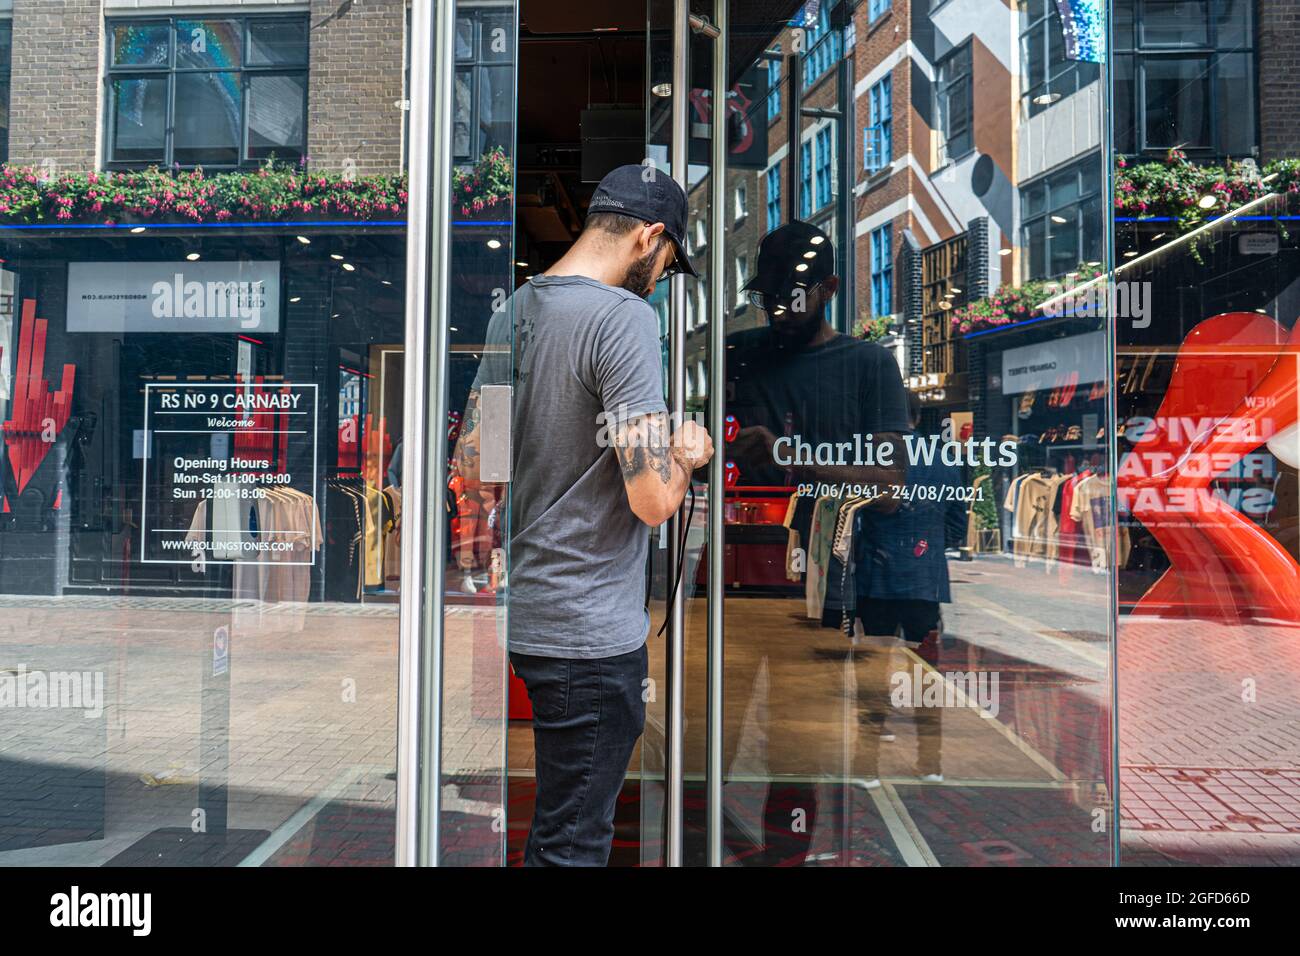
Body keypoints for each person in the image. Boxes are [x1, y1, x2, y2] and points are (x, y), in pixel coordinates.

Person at [457, 164, 714, 866]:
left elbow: (480, 466)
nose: (661, 276)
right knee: (574, 844)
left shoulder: (517, 308)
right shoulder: (624, 318)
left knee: (559, 827)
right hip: (591, 635)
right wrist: (687, 454)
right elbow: (653, 498)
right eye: (666, 259)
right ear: (649, 236)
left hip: (534, 617)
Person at [722, 220, 912, 864]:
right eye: (768, 297)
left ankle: (788, 855)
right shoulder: (737, 355)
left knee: (796, 744)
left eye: (793, 296)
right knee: (710, 732)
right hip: (732, 580)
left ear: (829, 288)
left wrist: (785, 454)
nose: (778, 310)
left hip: (824, 583)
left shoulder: (868, 364)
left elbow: (889, 484)